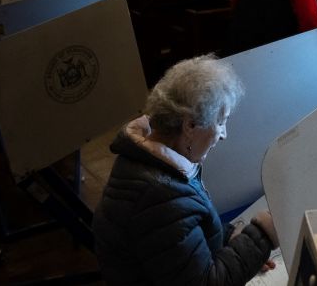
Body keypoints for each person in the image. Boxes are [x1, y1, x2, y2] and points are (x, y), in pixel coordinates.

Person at [93, 56, 278, 286]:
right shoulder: (159, 197)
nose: (223, 134)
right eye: (221, 121)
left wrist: (231, 238)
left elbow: (184, 237)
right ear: (189, 126)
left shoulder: (146, 158)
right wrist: (261, 236)